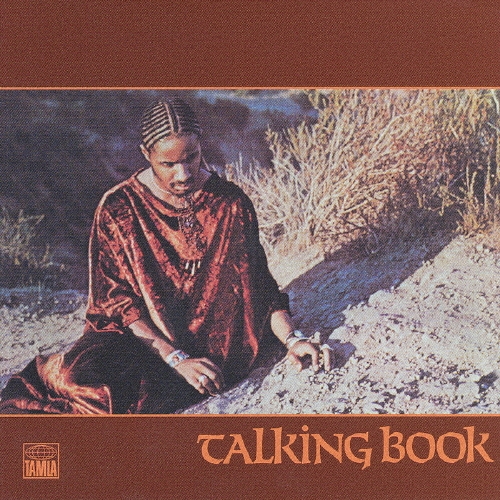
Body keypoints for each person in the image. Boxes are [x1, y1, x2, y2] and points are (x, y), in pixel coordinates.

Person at [0, 98, 333, 414]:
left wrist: (293, 340)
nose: (183, 174)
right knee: (81, 379)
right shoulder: (118, 208)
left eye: (191, 157)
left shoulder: (230, 204)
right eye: (169, 164)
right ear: (146, 154)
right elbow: (116, 305)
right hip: (142, 344)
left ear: (201, 145)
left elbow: (260, 288)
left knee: (142, 398)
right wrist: (176, 359)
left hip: (214, 350)